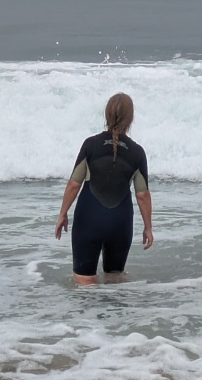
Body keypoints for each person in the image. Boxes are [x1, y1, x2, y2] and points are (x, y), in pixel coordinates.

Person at [54, 92, 154, 284]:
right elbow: (142, 195)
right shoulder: (137, 152)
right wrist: (148, 228)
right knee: (115, 279)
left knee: (85, 281)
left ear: (106, 114)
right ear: (130, 118)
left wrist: (62, 214)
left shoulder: (91, 145)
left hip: (89, 219)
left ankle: (89, 306)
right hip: (120, 222)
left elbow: (74, 184)